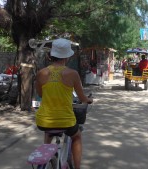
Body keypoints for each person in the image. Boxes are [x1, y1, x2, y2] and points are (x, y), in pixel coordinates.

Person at [35, 38, 93, 169]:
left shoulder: (41, 73)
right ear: (67, 56)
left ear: (52, 55)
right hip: (66, 121)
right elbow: (82, 98)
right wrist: (89, 100)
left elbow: (41, 94)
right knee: (77, 137)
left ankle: (46, 153)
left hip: (43, 121)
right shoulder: (73, 74)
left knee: (48, 131)